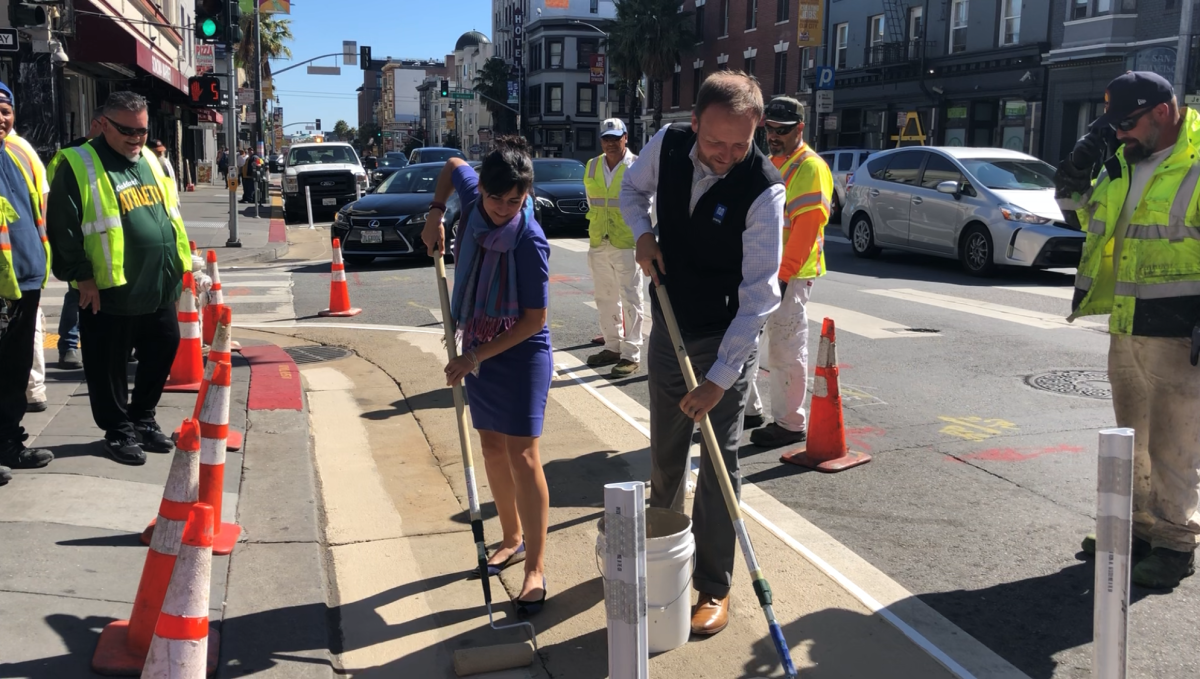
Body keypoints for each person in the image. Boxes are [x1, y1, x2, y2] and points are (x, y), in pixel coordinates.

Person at [620, 71, 785, 635]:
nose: (727, 156)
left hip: (726, 334)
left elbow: (761, 296)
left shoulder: (763, 189)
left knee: (719, 461)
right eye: (716, 143)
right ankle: (661, 557)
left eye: (742, 144)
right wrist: (643, 234)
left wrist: (718, 378)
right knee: (667, 452)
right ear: (694, 125)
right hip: (670, 320)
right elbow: (629, 190)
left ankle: (714, 585)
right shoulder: (665, 146)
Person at [1054, 70, 1200, 590]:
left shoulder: (1196, 162)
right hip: (1128, 323)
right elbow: (1084, 220)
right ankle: (1135, 530)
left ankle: (1176, 544)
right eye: (1113, 126)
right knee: (1131, 440)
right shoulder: (1123, 161)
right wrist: (1070, 175)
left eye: (1129, 123)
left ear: (1163, 111)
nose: (1119, 135)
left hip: (1181, 331)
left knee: (1174, 445)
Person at [420, 136, 553, 616]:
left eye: (514, 201)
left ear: (525, 197)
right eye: (495, 198)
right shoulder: (475, 196)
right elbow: (452, 162)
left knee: (523, 453)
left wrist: (473, 358)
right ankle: (511, 536)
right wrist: (436, 212)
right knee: (492, 446)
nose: (501, 208)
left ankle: (535, 567)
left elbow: (533, 320)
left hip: (520, 351)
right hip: (478, 340)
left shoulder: (529, 240)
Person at [46, 91, 192, 467]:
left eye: (142, 130)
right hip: (108, 289)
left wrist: (179, 272)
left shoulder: (151, 160)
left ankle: (142, 417)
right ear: (103, 125)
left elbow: (169, 216)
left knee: (165, 346)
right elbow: (62, 227)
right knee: (107, 364)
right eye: (127, 130)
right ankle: (117, 430)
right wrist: (82, 278)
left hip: (158, 284)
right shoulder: (78, 163)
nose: (136, 138)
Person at [748, 97, 834, 448]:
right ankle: (750, 408)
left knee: (785, 347)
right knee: (749, 344)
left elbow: (806, 228)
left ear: (800, 128)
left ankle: (789, 423)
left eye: (781, 131)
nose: (773, 136)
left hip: (789, 276)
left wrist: (782, 278)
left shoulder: (809, 167)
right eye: (769, 128)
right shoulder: (774, 163)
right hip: (766, 272)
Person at [0, 80, 55, 482]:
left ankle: (9, 443)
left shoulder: (15, 157)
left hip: (25, 280)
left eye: (5, 110)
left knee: (14, 372)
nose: (1, 118)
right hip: (5, 286)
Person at [584, 118, 644, 377]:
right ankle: (612, 345)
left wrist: (646, 237)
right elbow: (591, 201)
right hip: (600, 240)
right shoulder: (592, 165)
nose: (610, 143)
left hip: (627, 241)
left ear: (625, 138)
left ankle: (631, 353)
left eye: (615, 138)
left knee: (631, 297)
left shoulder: (637, 165)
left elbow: (648, 204)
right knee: (605, 296)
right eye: (606, 138)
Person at [49, 107, 105, 370]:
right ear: (96, 125)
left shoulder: (114, 154)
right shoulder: (71, 157)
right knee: (76, 296)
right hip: (81, 242)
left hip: (109, 244)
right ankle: (69, 345)